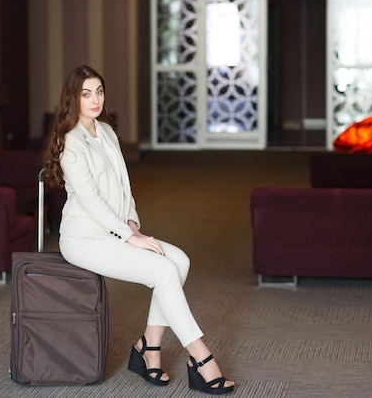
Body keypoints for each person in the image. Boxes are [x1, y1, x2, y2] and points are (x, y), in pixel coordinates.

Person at [42, 65, 234, 395]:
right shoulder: (70, 143)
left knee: (180, 262)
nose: (95, 99)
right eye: (86, 93)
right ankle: (200, 357)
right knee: (162, 270)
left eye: (99, 91)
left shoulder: (106, 131)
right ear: (73, 98)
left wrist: (132, 222)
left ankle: (149, 346)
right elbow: (91, 202)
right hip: (84, 238)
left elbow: (123, 186)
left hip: (116, 230)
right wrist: (131, 237)